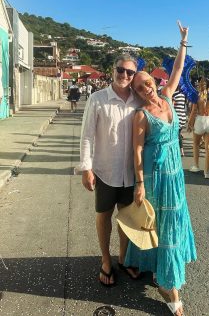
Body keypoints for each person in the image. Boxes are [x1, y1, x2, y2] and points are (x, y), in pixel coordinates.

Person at [124, 21, 196, 316]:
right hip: (155, 177)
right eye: (139, 87)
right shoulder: (140, 116)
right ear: (137, 93)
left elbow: (178, 70)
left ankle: (156, 269)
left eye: (147, 83)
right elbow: (137, 150)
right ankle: (170, 288)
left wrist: (183, 42)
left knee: (172, 221)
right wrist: (139, 183)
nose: (145, 88)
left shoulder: (167, 96)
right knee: (162, 228)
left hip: (175, 174)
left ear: (154, 81)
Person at [79, 54, 142, 287]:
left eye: (130, 72)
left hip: (131, 172)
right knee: (104, 215)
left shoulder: (139, 100)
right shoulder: (97, 99)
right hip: (105, 170)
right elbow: (86, 136)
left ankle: (124, 258)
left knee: (126, 219)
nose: (124, 75)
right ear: (112, 70)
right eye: (121, 70)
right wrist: (86, 168)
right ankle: (106, 260)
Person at [187, 77, 209, 178]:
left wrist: (189, 123)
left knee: (195, 144)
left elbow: (194, 110)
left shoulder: (197, 95)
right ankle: (207, 172)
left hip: (200, 120)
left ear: (199, 84)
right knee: (208, 148)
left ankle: (196, 166)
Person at [172, 85, 187, 156]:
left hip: (177, 117)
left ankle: (181, 150)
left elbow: (171, 106)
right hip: (183, 117)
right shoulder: (183, 95)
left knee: (177, 135)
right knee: (177, 134)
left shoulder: (174, 95)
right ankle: (178, 149)